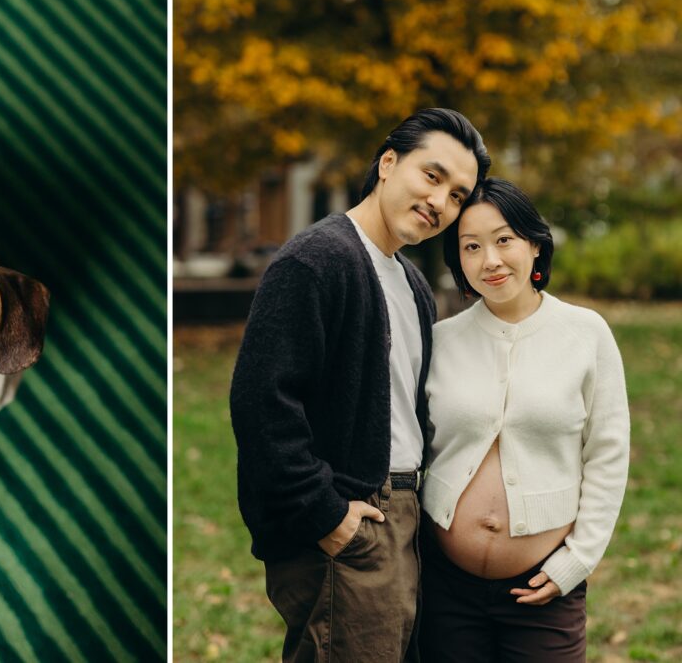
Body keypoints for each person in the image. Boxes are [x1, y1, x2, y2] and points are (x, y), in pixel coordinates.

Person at [230, 108, 490, 662]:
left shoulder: (412, 284)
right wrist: (324, 514)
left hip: (406, 518)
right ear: (388, 163)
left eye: (457, 196)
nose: (440, 201)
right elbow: (262, 404)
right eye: (432, 176)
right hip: (350, 521)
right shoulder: (316, 260)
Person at [420, 178, 630, 661]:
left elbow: (608, 453)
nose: (490, 260)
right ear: (458, 260)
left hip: (544, 589)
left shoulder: (586, 334)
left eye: (504, 240)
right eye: (471, 247)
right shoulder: (441, 340)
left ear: (535, 244)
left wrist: (576, 562)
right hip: (444, 585)